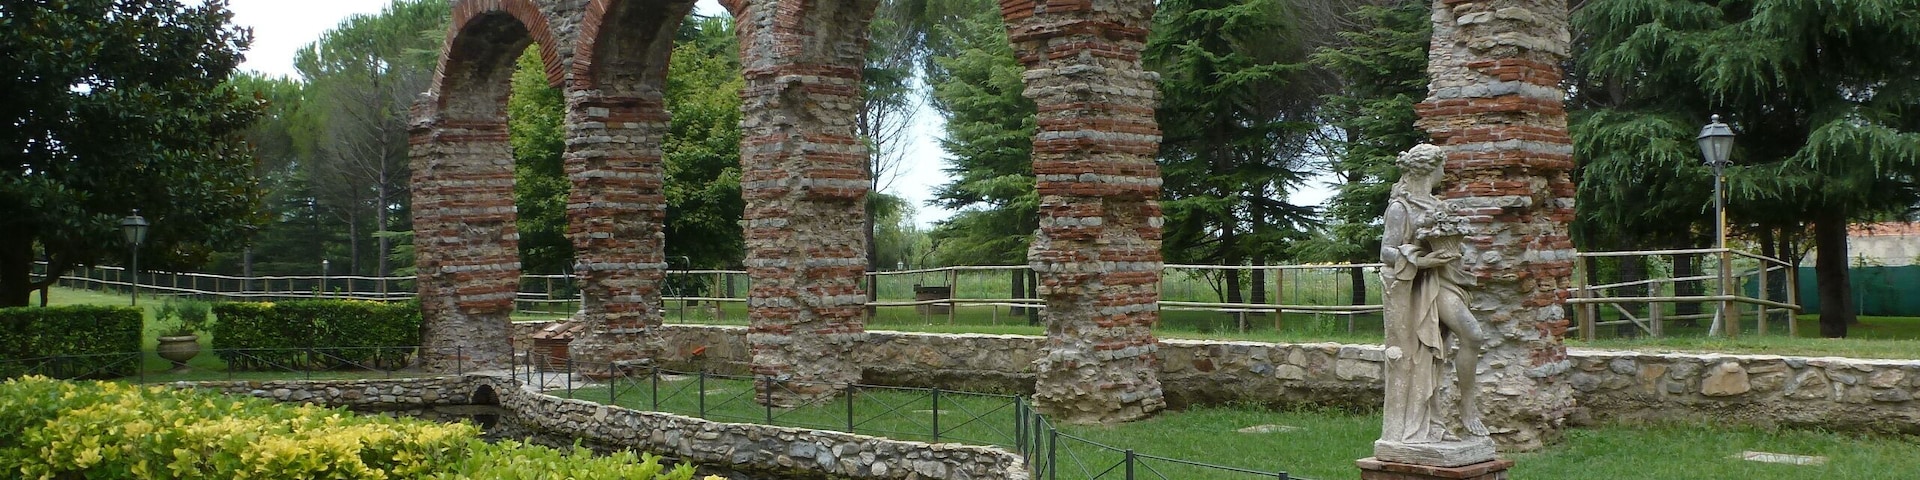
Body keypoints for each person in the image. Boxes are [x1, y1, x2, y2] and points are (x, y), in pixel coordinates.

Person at [1379, 144, 1488, 443]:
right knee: (1472, 335)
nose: (1444, 172)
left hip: (1447, 279)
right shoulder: (1401, 207)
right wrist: (1421, 260)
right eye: (1442, 166)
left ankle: (1457, 413)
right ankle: (1462, 412)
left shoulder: (1438, 206)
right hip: (1422, 285)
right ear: (1430, 169)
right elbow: (1386, 251)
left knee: (1452, 348)